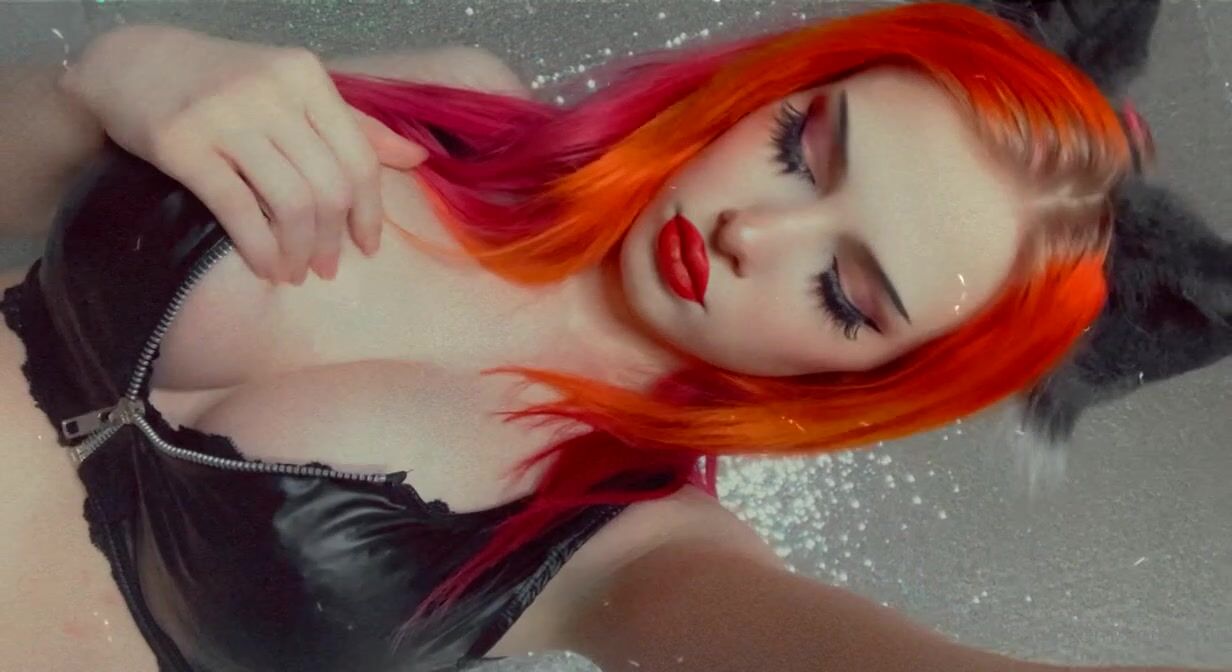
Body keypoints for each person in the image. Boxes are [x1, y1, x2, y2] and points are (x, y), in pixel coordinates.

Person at [0, 2, 1225, 671]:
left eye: (844, 291)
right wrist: (110, 80)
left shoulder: (636, 546)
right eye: (800, 150)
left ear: (875, 378)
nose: (752, 231)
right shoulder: (453, 101)